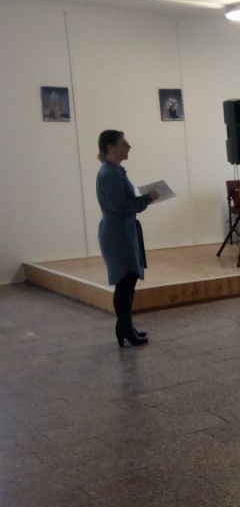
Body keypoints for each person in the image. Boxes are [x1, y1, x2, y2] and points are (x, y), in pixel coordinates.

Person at [95, 130, 158, 347]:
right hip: (118, 234)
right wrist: (146, 199)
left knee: (128, 281)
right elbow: (120, 206)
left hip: (122, 230)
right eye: (123, 143)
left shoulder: (114, 171)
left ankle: (126, 326)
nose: (128, 146)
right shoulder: (110, 173)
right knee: (124, 281)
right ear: (111, 147)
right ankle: (124, 327)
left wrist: (144, 200)